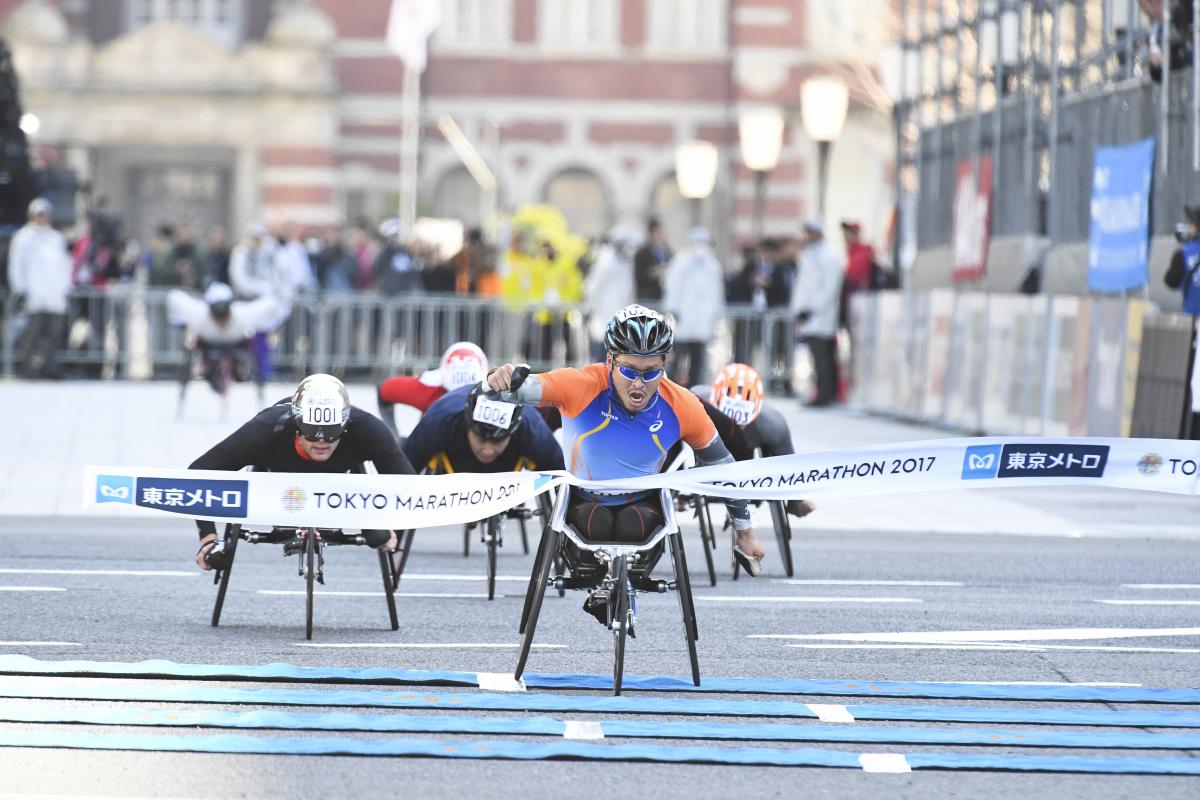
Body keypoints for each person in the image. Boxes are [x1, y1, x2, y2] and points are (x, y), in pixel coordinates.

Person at [486, 304, 765, 593]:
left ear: (664, 365)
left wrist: (745, 532)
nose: (640, 384)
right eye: (630, 371)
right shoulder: (581, 384)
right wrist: (499, 377)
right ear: (610, 361)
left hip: (644, 509)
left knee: (633, 523)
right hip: (582, 506)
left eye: (651, 372)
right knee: (598, 522)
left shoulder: (682, 405)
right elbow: (518, 389)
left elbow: (723, 465)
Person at [190, 374, 416, 571]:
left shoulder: (367, 428)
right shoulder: (265, 428)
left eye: (331, 432)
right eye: (311, 431)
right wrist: (208, 538)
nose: (321, 440)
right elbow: (199, 473)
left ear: (345, 425)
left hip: (343, 486)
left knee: (379, 535)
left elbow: (411, 487)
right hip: (277, 479)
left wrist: (391, 525)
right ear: (297, 424)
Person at [692, 362, 814, 520]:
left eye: (741, 423)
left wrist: (795, 501)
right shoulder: (696, 400)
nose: (735, 429)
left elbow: (788, 465)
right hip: (705, 450)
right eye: (729, 421)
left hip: (746, 456)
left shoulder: (773, 423)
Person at [404, 383, 565, 476]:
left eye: (498, 441)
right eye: (481, 439)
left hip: (507, 467)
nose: (488, 450)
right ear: (467, 425)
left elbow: (563, 480)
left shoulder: (533, 430)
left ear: (513, 430)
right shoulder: (439, 422)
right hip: (455, 461)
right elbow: (402, 475)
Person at [167, 282, 281, 394]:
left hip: (236, 341)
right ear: (209, 307)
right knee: (191, 343)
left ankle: (240, 371)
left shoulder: (243, 314)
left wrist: (268, 326)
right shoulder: (199, 313)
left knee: (253, 344)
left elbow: (272, 303)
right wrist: (179, 321)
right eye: (216, 311)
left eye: (224, 310)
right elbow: (173, 297)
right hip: (209, 343)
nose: (221, 316)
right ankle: (208, 369)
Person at [7, 197, 72, 379]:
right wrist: (20, 288)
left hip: (54, 295)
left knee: (54, 334)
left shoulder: (55, 238)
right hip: (33, 294)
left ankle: (51, 367)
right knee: (31, 333)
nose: (41, 218)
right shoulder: (23, 237)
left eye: (44, 215)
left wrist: (66, 288)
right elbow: (16, 265)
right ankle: (27, 367)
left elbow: (65, 265)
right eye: (38, 214)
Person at [376, 341, 490, 438]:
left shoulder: (495, 392)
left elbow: (383, 390)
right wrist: (393, 435)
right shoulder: (426, 390)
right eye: (453, 395)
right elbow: (383, 390)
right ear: (442, 384)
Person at [791, 218, 844, 407]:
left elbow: (829, 288)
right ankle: (821, 391)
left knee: (823, 357)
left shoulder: (829, 256)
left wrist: (811, 310)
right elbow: (803, 288)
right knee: (815, 356)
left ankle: (826, 394)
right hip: (810, 316)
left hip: (821, 316)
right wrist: (798, 310)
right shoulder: (809, 255)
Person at [662, 227, 724, 386]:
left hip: (702, 323)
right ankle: (671, 389)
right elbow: (673, 287)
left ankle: (694, 393)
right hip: (684, 321)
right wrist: (673, 309)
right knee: (677, 360)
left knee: (698, 363)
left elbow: (716, 294)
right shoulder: (681, 262)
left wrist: (715, 315)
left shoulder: (712, 266)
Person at [581, 226, 637, 361]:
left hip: (619, 317)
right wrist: (590, 308)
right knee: (601, 356)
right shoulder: (607, 263)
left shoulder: (625, 265)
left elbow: (628, 291)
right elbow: (593, 288)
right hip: (603, 315)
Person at [633, 217, 671, 304]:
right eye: (658, 232)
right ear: (651, 233)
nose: (661, 235)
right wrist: (653, 273)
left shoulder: (667, 251)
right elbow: (638, 274)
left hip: (662, 297)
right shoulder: (642, 253)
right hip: (647, 297)